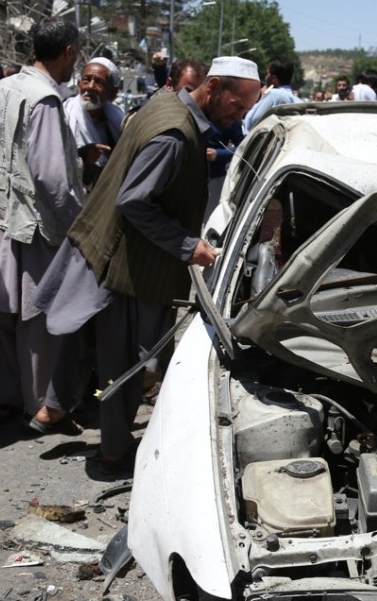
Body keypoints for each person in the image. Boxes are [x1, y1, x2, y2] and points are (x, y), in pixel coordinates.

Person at [34, 56, 262, 474]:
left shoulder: (165, 105)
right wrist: (188, 246)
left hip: (115, 254)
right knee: (126, 368)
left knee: (107, 356)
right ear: (212, 88)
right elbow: (135, 201)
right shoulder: (174, 135)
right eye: (237, 104)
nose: (239, 114)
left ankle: (66, 414)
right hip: (126, 267)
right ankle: (114, 454)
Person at [0, 17, 86, 432]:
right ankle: (39, 406)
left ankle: (6, 397)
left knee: (4, 314)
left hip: (2, 218)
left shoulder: (3, 88)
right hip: (36, 226)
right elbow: (52, 178)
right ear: (68, 52)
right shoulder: (45, 100)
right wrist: (78, 228)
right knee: (38, 321)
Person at [64, 57, 125, 188]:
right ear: (79, 83)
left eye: (99, 82)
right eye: (86, 80)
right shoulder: (64, 115)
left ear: (112, 92)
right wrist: (80, 157)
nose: (90, 86)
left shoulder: (118, 120)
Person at [243, 56, 299, 133]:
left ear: (273, 78)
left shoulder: (275, 94)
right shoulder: (296, 99)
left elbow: (251, 123)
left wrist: (263, 96)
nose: (266, 77)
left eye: (267, 74)